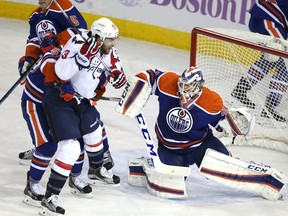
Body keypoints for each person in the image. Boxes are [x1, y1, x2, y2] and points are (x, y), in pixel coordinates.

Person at [116, 66, 288, 200]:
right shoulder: (169, 82)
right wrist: (139, 85)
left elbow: (223, 125)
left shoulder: (211, 102)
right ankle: (146, 166)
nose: (183, 95)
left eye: (188, 90)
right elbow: (151, 76)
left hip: (200, 145)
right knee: (170, 188)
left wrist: (236, 122)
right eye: (181, 87)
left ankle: (264, 179)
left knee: (223, 167)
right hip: (170, 148)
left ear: (198, 88)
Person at [39, 17, 126, 215]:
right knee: (70, 148)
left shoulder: (108, 49)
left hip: (81, 100)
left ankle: (95, 171)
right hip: (61, 96)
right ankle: (50, 196)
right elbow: (61, 72)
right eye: (110, 39)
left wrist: (118, 75)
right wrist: (81, 59)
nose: (113, 43)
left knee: (95, 135)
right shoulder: (78, 43)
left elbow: (115, 66)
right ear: (99, 37)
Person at [18, 0, 94, 207]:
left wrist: (53, 44)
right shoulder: (36, 17)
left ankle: (75, 177)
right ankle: (32, 183)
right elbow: (33, 42)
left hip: (56, 96)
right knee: (48, 145)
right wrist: (29, 58)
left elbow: (82, 32)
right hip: (36, 101)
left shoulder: (63, 6)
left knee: (76, 141)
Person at [231, 0, 288, 122]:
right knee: (285, 63)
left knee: (270, 60)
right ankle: (270, 105)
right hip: (269, 22)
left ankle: (241, 88)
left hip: (259, 19)